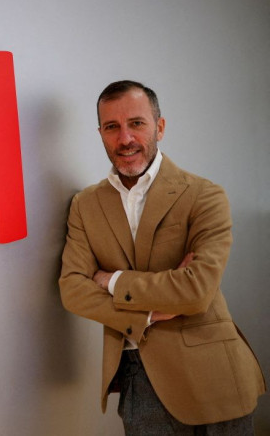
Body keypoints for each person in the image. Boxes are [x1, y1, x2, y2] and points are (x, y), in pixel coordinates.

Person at [59, 80, 265, 434]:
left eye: (136, 123)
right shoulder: (85, 205)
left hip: (214, 375)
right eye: (112, 127)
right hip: (138, 377)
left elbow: (196, 290)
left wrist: (112, 280)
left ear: (160, 126)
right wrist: (150, 314)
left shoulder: (205, 196)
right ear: (101, 134)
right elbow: (72, 290)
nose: (125, 138)